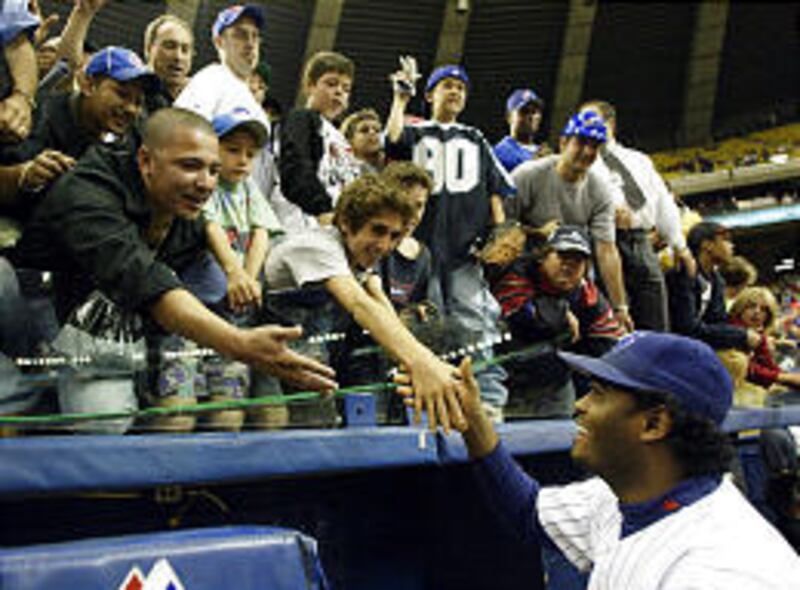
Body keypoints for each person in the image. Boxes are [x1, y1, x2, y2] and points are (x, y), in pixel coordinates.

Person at [11, 108, 335, 431]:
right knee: (102, 422)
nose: (206, 183)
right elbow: (143, 279)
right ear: (146, 161)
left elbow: (196, 292)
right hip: (41, 325)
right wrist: (238, 343)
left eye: (213, 170)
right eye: (190, 165)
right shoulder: (88, 190)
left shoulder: (188, 211)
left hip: (124, 333)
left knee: (195, 408)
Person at [431, 332, 800, 587]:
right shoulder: (625, 497)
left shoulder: (719, 568)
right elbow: (528, 510)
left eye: (598, 393)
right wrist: (474, 422)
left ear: (654, 423)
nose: (580, 405)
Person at [263, 173, 464, 432]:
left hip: (307, 353)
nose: (384, 245)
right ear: (346, 222)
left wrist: (425, 363)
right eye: (378, 230)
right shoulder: (317, 247)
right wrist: (422, 362)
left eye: (394, 236)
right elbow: (360, 306)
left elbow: (381, 306)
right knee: (273, 421)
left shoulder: (357, 255)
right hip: (254, 347)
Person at [385, 61, 514, 420]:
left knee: (478, 325)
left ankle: (487, 401)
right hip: (419, 255)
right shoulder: (416, 130)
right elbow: (392, 142)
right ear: (430, 94)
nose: (455, 91)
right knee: (428, 327)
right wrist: (399, 100)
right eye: (447, 85)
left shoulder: (475, 137)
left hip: (464, 254)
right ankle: (429, 401)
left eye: (461, 87)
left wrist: (500, 233)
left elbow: (494, 188)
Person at [508, 111, 633, 331]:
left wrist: (620, 307)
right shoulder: (528, 176)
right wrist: (536, 232)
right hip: (525, 274)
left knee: (606, 333)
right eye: (581, 142)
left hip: (571, 276)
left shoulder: (600, 190)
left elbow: (606, 250)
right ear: (564, 142)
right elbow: (499, 229)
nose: (587, 152)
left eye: (594, 146)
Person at [580, 100, 693, 332]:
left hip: (641, 242)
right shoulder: (579, 163)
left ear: (610, 123)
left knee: (656, 323)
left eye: (591, 120)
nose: (584, 127)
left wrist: (680, 246)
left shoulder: (639, 160)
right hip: (603, 244)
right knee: (615, 325)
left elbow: (663, 203)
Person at [491, 225, 624, 417]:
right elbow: (524, 319)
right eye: (562, 257)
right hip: (507, 382)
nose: (568, 266)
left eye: (577, 260)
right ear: (544, 257)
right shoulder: (517, 274)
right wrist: (561, 314)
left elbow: (609, 347)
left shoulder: (590, 298)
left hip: (555, 387)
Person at [277, 50, 361, 230]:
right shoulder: (301, 119)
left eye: (346, 88)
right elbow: (296, 167)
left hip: (335, 225)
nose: (339, 92)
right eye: (331, 84)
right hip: (304, 223)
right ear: (309, 85)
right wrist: (323, 210)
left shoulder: (341, 138)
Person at [667, 221, 761, 352]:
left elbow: (718, 323)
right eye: (725, 240)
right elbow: (687, 328)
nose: (732, 246)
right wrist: (741, 335)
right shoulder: (682, 274)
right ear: (707, 245)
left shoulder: (717, 281)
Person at [174, 4, 268, 129]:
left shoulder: (252, 100)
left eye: (255, 36)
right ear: (219, 42)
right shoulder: (210, 81)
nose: (250, 44)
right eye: (240, 35)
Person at [728, 286, 800, 392]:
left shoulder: (758, 335)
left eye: (763, 309)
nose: (757, 312)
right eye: (751, 306)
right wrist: (783, 378)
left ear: (768, 316)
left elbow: (768, 364)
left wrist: (791, 379)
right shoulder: (729, 330)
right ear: (740, 308)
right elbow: (745, 369)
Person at [142, 13, 194, 111]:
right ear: (148, 49)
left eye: (185, 49)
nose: (178, 57)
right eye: (170, 46)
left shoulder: (201, 100)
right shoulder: (134, 94)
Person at [493, 88, 550, 173]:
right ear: (509, 117)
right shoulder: (500, 152)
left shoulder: (541, 152)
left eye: (535, 112)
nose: (531, 117)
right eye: (524, 111)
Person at [341, 108, 384, 173]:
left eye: (377, 130)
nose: (372, 132)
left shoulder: (392, 165)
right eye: (364, 130)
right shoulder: (342, 170)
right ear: (349, 140)